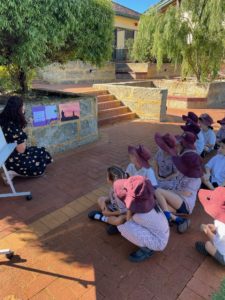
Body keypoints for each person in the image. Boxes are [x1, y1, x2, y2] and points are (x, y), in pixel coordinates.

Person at [114, 175, 170, 262]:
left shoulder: (140, 216)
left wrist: (129, 207)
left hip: (159, 243)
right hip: (162, 234)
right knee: (129, 223)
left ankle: (147, 250)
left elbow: (128, 221)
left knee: (123, 227)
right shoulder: (151, 204)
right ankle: (147, 243)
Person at [0, 96, 53, 182]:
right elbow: (21, 150)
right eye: (22, 106)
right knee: (41, 155)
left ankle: (11, 171)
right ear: (17, 109)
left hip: (5, 154)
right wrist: (23, 135)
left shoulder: (4, 120)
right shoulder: (14, 128)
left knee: (39, 151)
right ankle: (12, 172)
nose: (24, 107)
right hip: (13, 158)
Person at [155, 151, 203, 234]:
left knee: (158, 191)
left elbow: (186, 193)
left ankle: (167, 215)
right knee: (156, 205)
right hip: (177, 201)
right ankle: (178, 219)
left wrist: (169, 191)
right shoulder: (182, 173)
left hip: (185, 203)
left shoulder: (196, 179)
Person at [88, 166, 129, 234]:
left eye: (107, 176)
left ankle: (102, 218)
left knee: (120, 220)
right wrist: (105, 201)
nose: (106, 178)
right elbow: (111, 198)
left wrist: (109, 213)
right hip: (114, 207)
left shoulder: (118, 192)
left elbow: (123, 211)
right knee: (101, 199)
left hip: (121, 213)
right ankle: (110, 220)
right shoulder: (114, 186)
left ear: (111, 179)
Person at [195, 187, 225, 266]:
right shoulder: (221, 222)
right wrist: (214, 228)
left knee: (208, 245)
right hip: (222, 241)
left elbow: (218, 240)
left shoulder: (220, 223)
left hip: (223, 252)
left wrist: (207, 230)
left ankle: (209, 252)